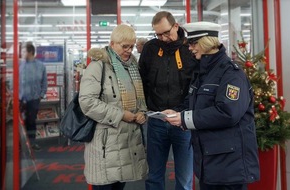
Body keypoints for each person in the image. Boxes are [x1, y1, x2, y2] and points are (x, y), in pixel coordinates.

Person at [164, 21, 260, 190]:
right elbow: (194, 102)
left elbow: (228, 112)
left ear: (207, 43)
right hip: (209, 163)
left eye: (194, 44)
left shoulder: (231, 74)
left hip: (229, 167)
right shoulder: (204, 72)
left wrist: (184, 119)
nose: (190, 48)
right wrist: (177, 112)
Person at [79, 24, 148, 190]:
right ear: (112, 44)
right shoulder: (97, 67)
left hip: (127, 143)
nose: (129, 50)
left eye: (131, 46)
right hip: (105, 145)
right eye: (125, 46)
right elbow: (87, 102)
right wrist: (120, 115)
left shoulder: (133, 68)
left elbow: (140, 100)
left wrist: (142, 113)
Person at [139, 11, 196, 190]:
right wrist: (148, 108)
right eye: (158, 34)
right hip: (157, 120)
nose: (163, 38)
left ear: (176, 26)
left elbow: (195, 87)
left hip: (183, 121)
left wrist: (180, 110)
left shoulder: (190, 49)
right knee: (154, 176)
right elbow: (142, 81)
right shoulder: (150, 49)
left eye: (166, 33)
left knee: (185, 179)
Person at [19, 42, 47, 151]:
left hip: (34, 99)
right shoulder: (19, 65)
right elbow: (13, 81)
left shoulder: (40, 66)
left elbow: (44, 82)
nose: (21, 53)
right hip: (20, 99)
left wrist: (41, 95)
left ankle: (32, 143)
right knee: (20, 123)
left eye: (23, 51)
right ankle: (21, 143)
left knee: (31, 121)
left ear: (30, 52)